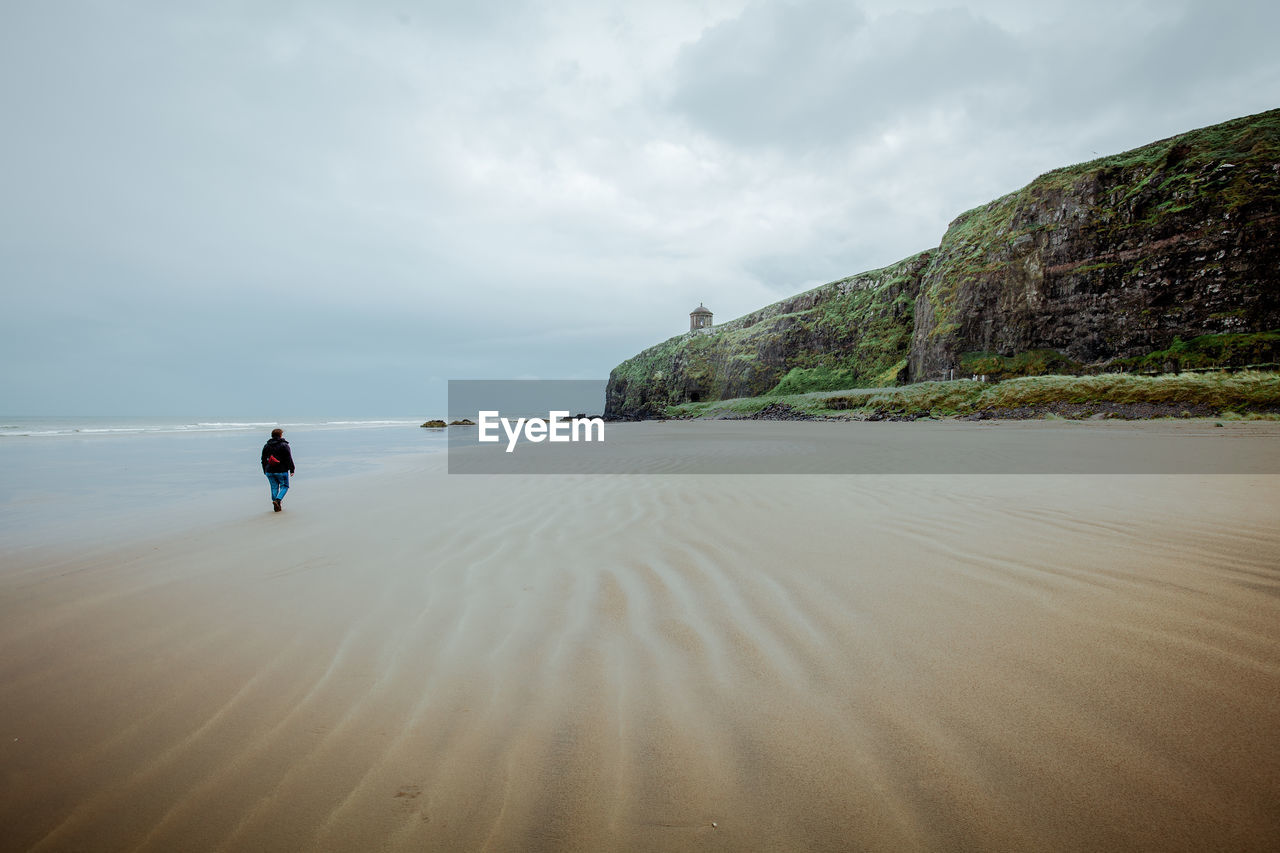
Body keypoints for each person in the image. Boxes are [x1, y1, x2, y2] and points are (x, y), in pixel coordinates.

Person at [261, 428, 296, 512]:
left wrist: (265, 470)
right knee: (284, 486)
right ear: (280, 435)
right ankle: (277, 500)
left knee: (274, 487)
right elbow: (289, 458)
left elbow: (263, 459)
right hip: (281, 470)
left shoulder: (266, 446)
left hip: (269, 471)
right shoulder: (284, 445)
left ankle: (276, 504)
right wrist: (292, 469)